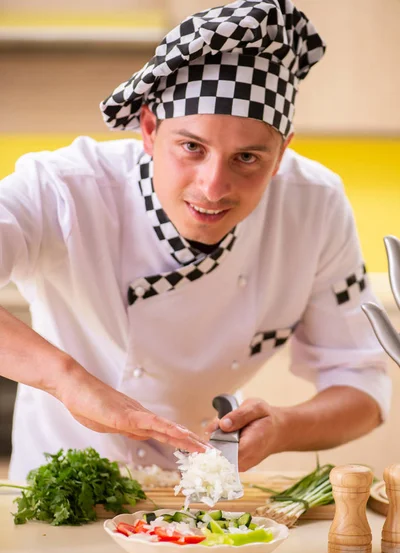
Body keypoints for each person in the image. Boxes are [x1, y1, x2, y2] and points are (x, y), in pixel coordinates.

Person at [0, 0, 391, 480]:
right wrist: (65, 379)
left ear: (283, 151)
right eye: (191, 147)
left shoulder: (315, 206)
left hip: (195, 501)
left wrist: (284, 427)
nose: (213, 187)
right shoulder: (64, 188)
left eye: (247, 158)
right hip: (54, 497)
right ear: (148, 129)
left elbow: (363, 387)